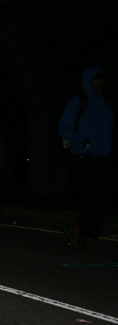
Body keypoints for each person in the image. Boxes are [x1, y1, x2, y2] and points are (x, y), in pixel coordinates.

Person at [59, 67, 113, 256]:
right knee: (91, 199)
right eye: (97, 79)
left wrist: (107, 144)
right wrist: (81, 141)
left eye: (102, 79)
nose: (101, 82)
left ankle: (79, 227)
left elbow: (109, 125)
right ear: (89, 80)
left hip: (102, 157)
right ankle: (89, 238)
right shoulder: (78, 101)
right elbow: (63, 127)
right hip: (84, 157)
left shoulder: (104, 102)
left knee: (101, 200)